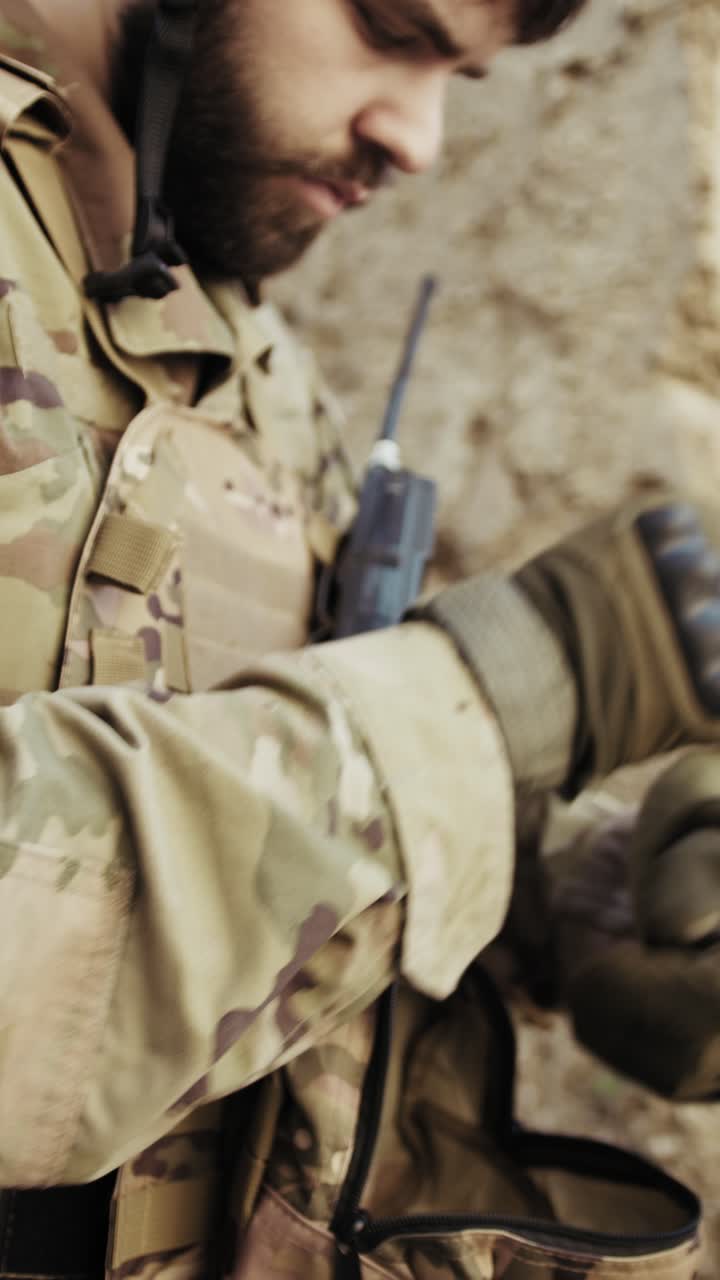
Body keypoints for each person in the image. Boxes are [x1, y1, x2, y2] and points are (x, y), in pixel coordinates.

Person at [0, 1, 719, 1277]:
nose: (424, 136)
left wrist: (596, 901)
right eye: (393, 25)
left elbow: (288, 721)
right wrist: (502, 691)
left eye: (467, 73)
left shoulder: (244, 350)